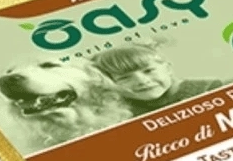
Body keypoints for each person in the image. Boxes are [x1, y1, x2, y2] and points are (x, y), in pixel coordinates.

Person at [91, 43, 225, 117]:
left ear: (168, 68)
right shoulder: (122, 112)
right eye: (124, 78)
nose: (142, 81)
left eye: (148, 71)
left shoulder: (207, 89)